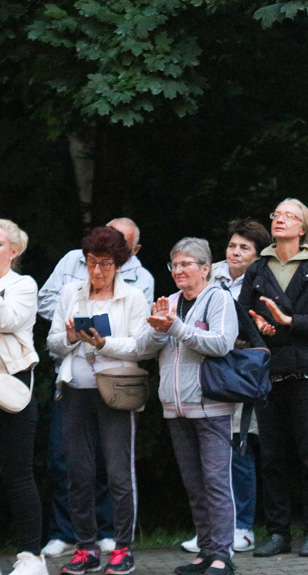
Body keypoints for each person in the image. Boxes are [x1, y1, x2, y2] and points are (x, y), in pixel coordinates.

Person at [38, 217, 154, 559]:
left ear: (118, 264)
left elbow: (142, 346)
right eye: (91, 262)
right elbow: (53, 342)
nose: (97, 271)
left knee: (118, 473)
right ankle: (85, 547)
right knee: (78, 472)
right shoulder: (70, 294)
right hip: (76, 388)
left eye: (105, 264)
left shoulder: (132, 296)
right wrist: (72, 337)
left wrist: (104, 344)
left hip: (117, 390)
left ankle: (122, 548)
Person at [240, 198, 308, 559]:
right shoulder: (257, 269)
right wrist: (260, 330)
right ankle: (278, 533)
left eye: (289, 216)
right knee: (272, 458)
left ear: (303, 228)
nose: (280, 219)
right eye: (276, 214)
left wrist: (289, 322)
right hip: (270, 372)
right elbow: (243, 318)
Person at [137, 238, 239, 575]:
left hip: (212, 406)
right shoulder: (170, 302)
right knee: (194, 484)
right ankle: (206, 551)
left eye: (185, 264)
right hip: (174, 407)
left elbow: (222, 343)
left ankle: (223, 554)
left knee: (216, 482)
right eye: (174, 265)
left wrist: (176, 328)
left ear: (205, 268)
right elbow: (143, 348)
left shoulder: (220, 298)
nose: (178, 271)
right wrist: (158, 328)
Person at [180, 219, 271, 555]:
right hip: (202, 375)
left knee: (239, 448)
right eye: (233, 245)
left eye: (244, 248)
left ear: (257, 255)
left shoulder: (263, 280)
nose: (235, 252)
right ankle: (212, 533)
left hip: (238, 374)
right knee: (208, 460)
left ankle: (242, 527)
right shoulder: (208, 275)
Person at [0, 219, 49, 575]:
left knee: (17, 474)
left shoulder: (23, 285)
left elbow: (9, 319)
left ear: (13, 252)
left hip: (11, 387)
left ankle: (31, 556)